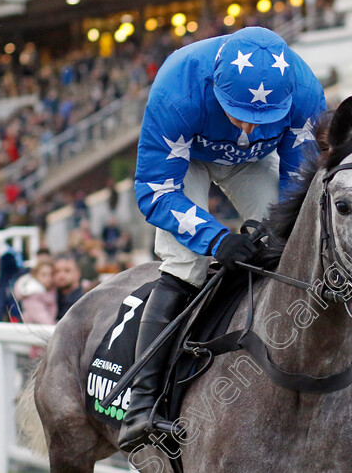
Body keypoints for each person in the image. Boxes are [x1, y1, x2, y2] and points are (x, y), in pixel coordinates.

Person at [120, 26, 326, 449]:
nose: (249, 129)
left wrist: (272, 232)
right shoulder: (178, 87)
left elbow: (299, 182)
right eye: (241, 115)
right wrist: (216, 240)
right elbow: (156, 190)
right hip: (186, 161)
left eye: (262, 120)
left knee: (286, 246)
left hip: (252, 165)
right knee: (186, 262)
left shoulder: (306, 93)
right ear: (215, 87)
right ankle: (140, 403)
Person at [14, 259, 57, 325]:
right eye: (44, 275)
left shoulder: (50, 292)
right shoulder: (32, 295)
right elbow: (43, 319)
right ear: (35, 275)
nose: (48, 278)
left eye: (51, 274)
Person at [53, 254, 83, 320]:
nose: (61, 275)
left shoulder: (85, 303)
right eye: (57, 271)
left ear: (78, 274)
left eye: (67, 271)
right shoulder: (51, 299)